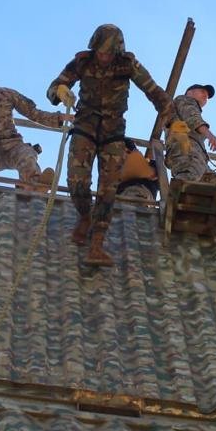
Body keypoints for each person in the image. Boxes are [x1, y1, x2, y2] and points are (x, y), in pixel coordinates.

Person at [47, 24, 175, 266]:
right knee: (76, 181)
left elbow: (155, 92)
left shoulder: (128, 65)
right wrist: (61, 92)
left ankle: (97, 242)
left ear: (117, 51)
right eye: (101, 52)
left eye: (108, 53)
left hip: (113, 132)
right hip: (85, 127)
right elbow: (53, 88)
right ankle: (85, 215)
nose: (104, 57)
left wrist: (173, 121)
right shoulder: (82, 63)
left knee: (109, 188)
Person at [0, 63, 71, 187]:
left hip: (13, 146)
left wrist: (59, 118)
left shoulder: (8, 94)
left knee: (27, 155)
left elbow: (33, 113)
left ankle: (33, 187)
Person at [165, 83, 216, 214]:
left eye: (207, 96)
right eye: (202, 92)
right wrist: (209, 135)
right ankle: (171, 213)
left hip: (200, 163)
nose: (205, 97)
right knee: (186, 183)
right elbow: (192, 118)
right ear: (190, 92)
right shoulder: (184, 100)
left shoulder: (189, 105)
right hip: (187, 153)